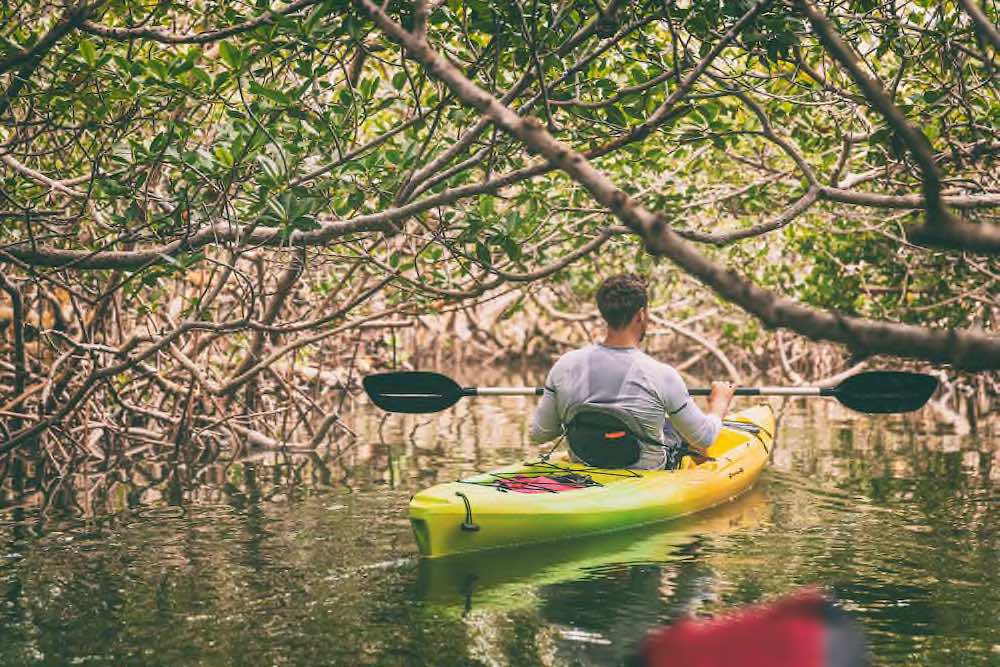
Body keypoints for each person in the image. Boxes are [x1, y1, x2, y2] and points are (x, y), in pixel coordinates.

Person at [529, 273, 735, 469]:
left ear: (604, 313)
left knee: (665, 425)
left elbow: (539, 434)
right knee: (679, 431)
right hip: (647, 474)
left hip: (585, 465)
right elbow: (705, 437)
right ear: (641, 314)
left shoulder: (564, 366)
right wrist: (719, 403)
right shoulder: (663, 376)